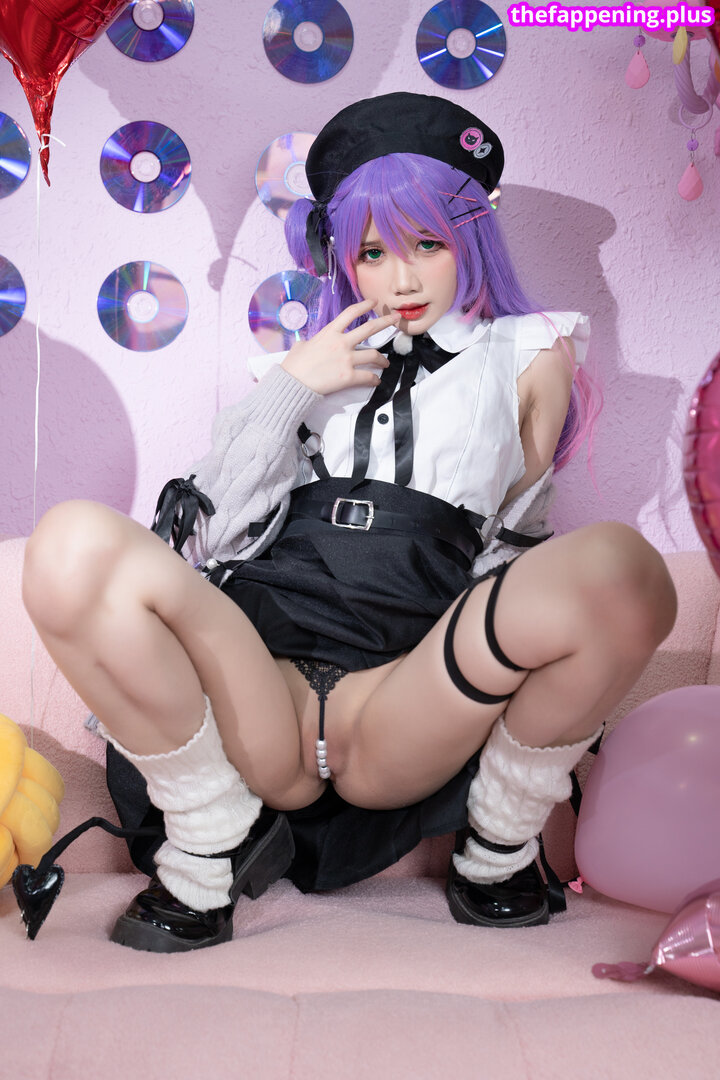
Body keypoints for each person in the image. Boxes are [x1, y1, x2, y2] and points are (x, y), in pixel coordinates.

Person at [21, 93, 677, 952]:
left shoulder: (528, 354)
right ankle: (213, 840)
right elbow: (203, 538)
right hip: (261, 688)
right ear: (341, 256)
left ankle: (497, 848)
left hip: (409, 694)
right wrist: (293, 386)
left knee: (623, 568)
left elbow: (514, 541)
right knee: (69, 543)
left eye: (427, 245)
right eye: (372, 252)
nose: (400, 280)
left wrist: (514, 680)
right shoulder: (304, 362)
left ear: (471, 237)